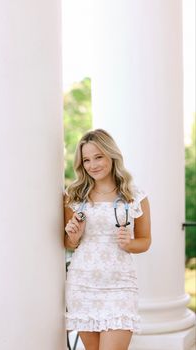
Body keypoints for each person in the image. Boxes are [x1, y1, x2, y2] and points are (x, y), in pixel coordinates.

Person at [64, 129, 151, 350]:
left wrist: (128, 243)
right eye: (86, 160)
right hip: (83, 285)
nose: (93, 165)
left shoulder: (134, 195)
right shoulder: (74, 196)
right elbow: (68, 243)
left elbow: (145, 240)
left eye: (98, 156)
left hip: (119, 285)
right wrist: (73, 236)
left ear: (111, 155)